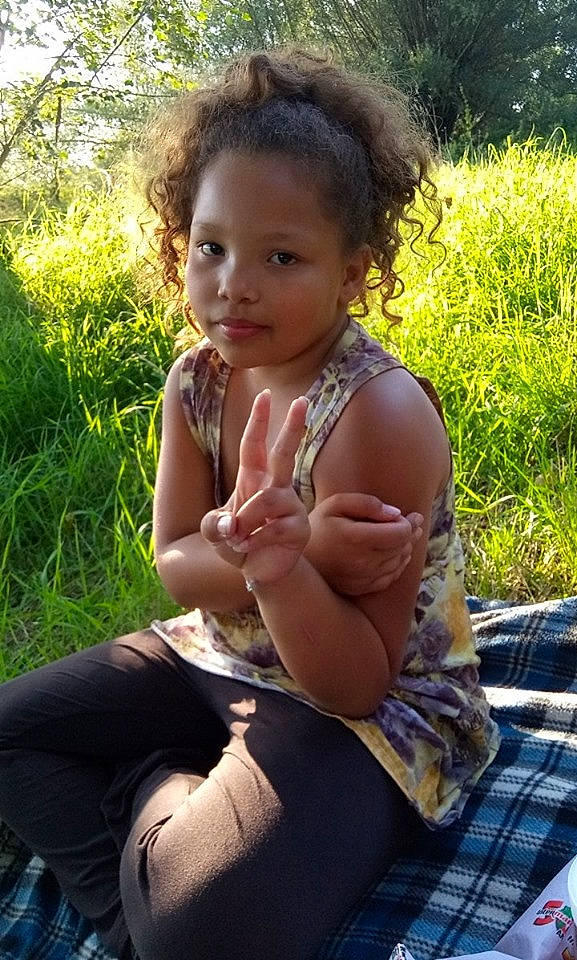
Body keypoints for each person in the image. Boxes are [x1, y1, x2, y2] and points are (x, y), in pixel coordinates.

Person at [0, 48, 500, 960]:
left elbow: (355, 682)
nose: (234, 282)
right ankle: (158, 853)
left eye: (281, 256)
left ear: (352, 272)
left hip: (363, 714)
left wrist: (278, 568)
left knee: (203, 929)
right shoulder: (196, 380)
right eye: (211, 247)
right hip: (217, 652)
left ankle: (152, 800)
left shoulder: (376, 414)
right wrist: (278, 553)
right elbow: (177, 566)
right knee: (11, 733)